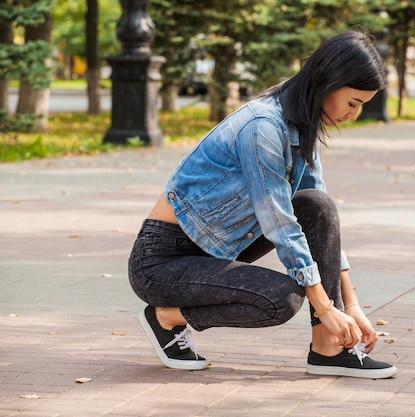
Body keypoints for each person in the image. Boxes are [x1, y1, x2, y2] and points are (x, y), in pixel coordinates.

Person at [128, 30, 397, 379]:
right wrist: (327, 308)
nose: (354, 115)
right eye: (353, 103)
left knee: (317, 205)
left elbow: (317, 218)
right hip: (162, 261)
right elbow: (280, 225)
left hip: (214, 249)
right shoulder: (263, 127)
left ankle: (328, 348)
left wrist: (352, 306)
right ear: (330, 83)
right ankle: (165, 317)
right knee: (281, 299)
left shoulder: (300, 122)